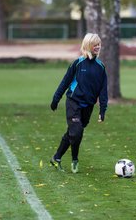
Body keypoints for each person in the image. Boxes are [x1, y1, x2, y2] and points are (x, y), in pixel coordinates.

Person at [49, 33, 108, 173]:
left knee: (74, 132)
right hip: (73, 102)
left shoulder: (101, 67)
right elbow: (65, 81)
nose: (98, 47)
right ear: (88, 45)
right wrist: (56, 99)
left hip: (88, 106)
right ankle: (75, 159)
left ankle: (56, 158)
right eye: (95, 44)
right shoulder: (78, 63)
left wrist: (102, 110)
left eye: (99, 44)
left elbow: (103, 90)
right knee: (76, 132)